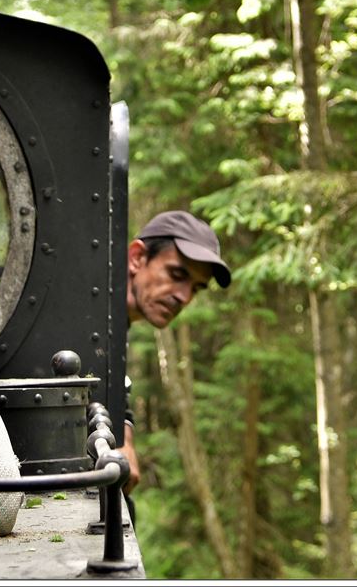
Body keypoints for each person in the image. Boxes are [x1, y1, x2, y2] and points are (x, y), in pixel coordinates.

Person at [120, 210, 231, 504]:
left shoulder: (117, 327)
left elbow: (115, 391)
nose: (183, 297)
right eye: (177, 274)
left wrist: (124, 436)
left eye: (195, 287)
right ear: (136, 258)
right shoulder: (88, 310)